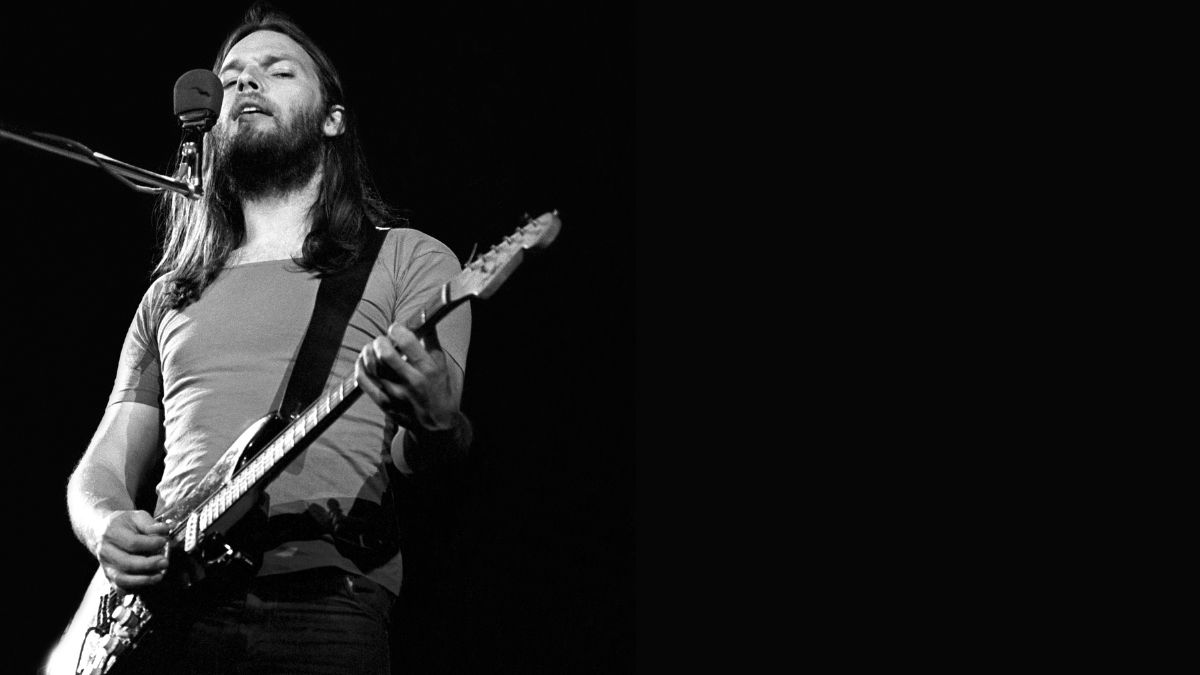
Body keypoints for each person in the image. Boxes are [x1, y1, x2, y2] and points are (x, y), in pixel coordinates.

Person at [61, 4, 472, 673]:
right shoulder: (170, 295)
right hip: (167, 614)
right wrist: (107, 524)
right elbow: (101, 467)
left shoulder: (411, 260)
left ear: (333, 119)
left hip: (323, 601)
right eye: (230, 77)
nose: (246, 82)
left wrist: (436, 424)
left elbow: (431, 456)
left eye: (277, 72)